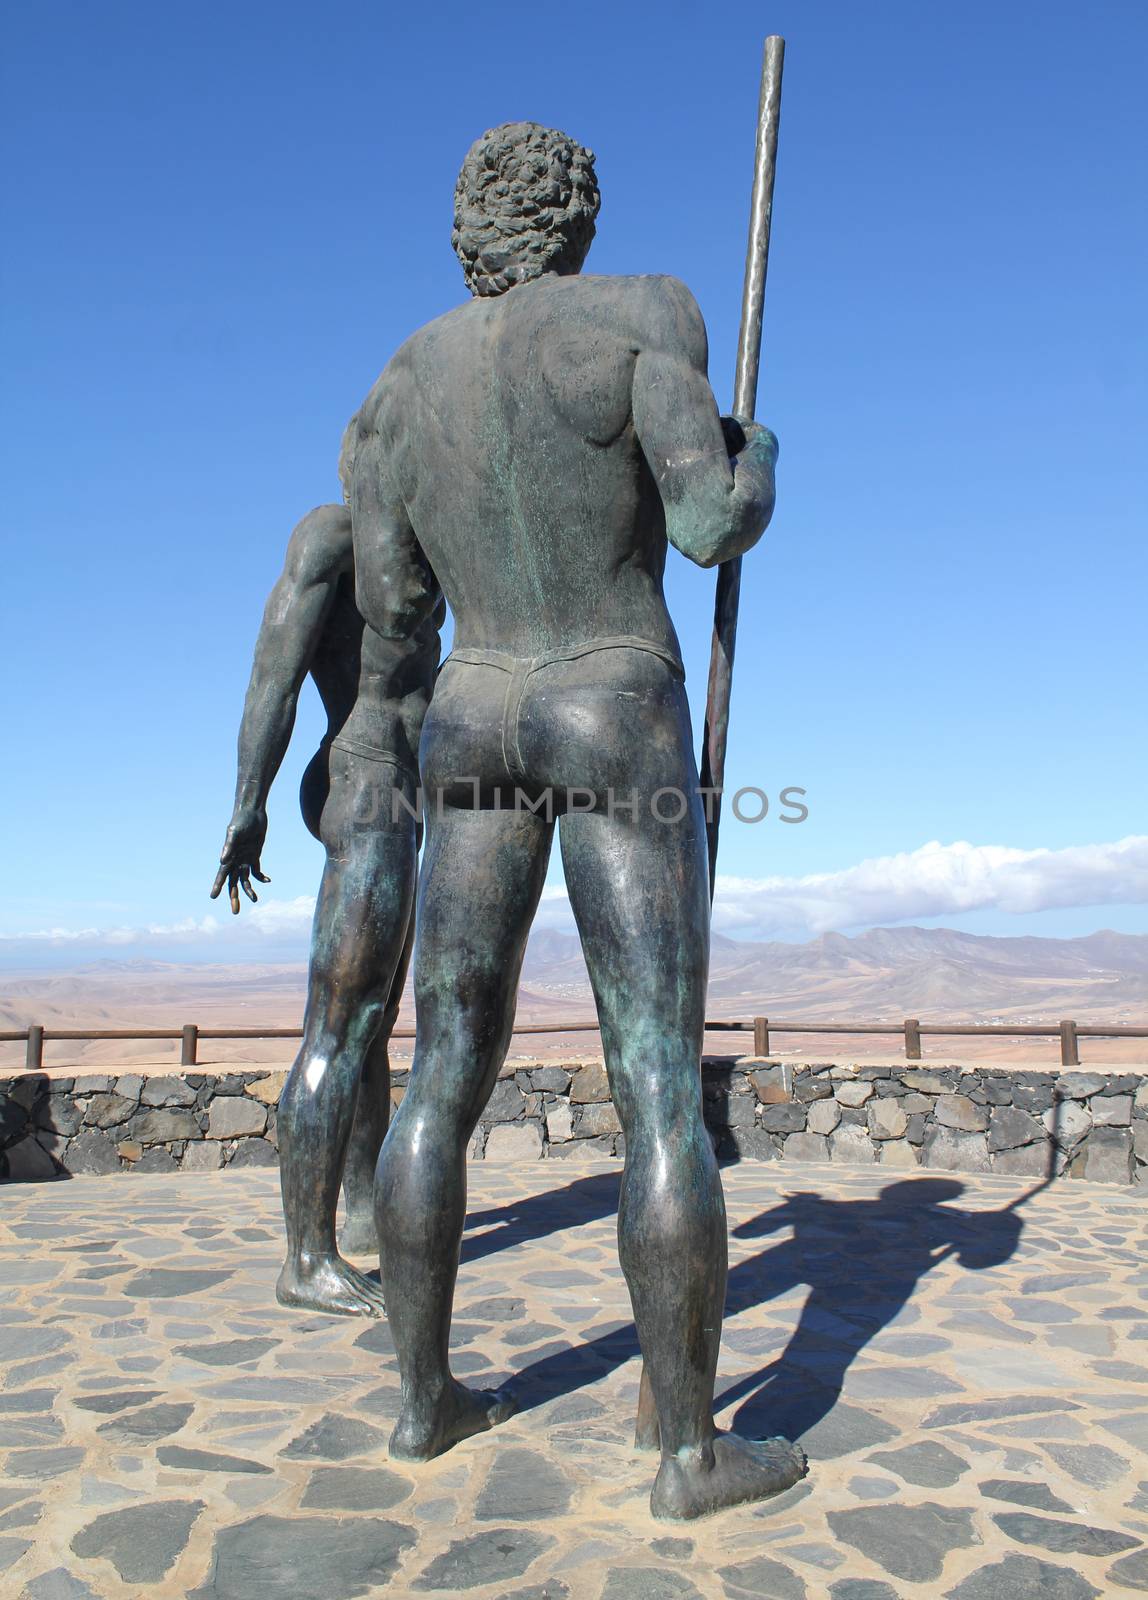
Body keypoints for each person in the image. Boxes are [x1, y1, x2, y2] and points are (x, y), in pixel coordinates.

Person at [348, 120, 805, 1518]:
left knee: (442, 1072)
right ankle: (684, 1452)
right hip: (614, 694)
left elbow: (394, 607)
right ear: (580, 218)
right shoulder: (641, 319)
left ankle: (425, 1402)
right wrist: (760, 452)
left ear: (468, 230)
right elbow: (710, 525)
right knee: (659, 1078)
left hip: (472, 709)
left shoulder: (402, 386)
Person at [212, 450, 441, 1317]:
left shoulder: (429, 548)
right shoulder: (332, 538)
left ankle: (368, 1210)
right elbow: (272, 676)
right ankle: (305, 1257)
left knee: (373, 1018)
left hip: (408, 788)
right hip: (364, 773)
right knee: (341, 1024)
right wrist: (247, 805)